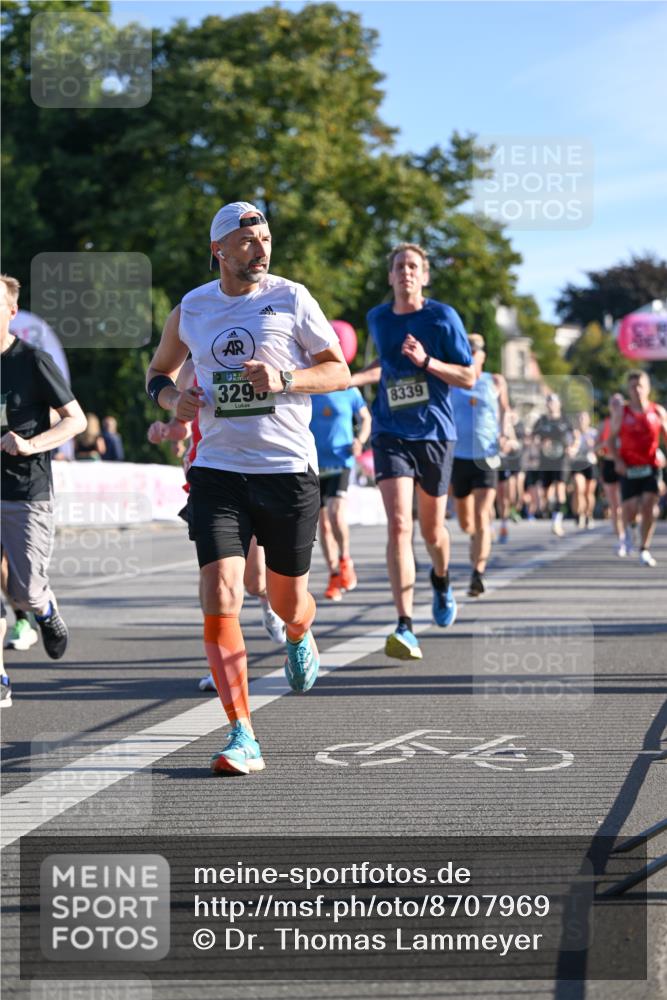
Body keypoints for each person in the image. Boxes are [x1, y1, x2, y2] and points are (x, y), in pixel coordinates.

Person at [145, 201, 349, 775]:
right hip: (218, 470)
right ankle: (242, 732)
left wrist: (286, 378)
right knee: (222, 593)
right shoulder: (192, 308)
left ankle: (300, 631)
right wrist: (172, 400)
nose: (261, 248)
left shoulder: (292, 297)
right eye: (248, 240)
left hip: (286, 469)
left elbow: (338, 371)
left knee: (286, 602)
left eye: (265, 238)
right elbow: (158, 373)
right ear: (219, 250)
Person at [352, 243, 474, 660]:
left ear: (424, 276)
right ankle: (404, 624)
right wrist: (345, 381)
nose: (405, 272)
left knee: (431, 531)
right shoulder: (378, 319)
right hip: (389, 430)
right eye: (399, 266)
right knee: (399, 525)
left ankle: (440, 578)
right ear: (390, 277)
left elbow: (468, 376)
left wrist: (426, 362)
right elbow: (380, 369)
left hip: (435, 433)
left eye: (413, 266)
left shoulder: (443, 317)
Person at [147, 358, 286, 694]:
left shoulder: (257, 350)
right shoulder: (192, 364)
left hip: (255, 472)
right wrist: (167, 430)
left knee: (253, 580)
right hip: (209, 479)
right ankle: (221, 665)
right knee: (216, 579)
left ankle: (269, 602)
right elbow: (181, 421)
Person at [0, 274, 87, 682]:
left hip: (25, 490)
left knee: (26, 592)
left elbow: (76, 420)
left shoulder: (32, 361)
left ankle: (45, 610)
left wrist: (31, 444)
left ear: (12, 311)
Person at [450, 333, 510, 597]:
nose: (472, 355)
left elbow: (506, 411)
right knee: (466, 522)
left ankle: (478, 572)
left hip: (486, 456)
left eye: (476, 351)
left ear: (483, 355)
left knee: (483, 514)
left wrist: (506, 433)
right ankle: (475, 538)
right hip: (458, 457)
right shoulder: (451, 380)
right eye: (468, 350)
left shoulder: (494, 381)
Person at [310, 373, 371, 602]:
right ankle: (334, 574)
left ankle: (345, 560)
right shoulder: (309, 386)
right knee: (323, 525)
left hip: (341, 461)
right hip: (314, 463)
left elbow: (365, 418)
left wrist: (360, 440)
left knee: (336, 515)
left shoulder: (347, 387)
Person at [608, 371, 667, 567]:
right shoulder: (622, 413)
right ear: (629, 390)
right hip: (629, 466)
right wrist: (618, 461)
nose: (637, 390)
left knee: (649, 504)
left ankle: (644, 549)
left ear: (648, 388)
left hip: (651, 466)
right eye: (633, 386)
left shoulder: (658, 412)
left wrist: (662, 454)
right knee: (630, 508)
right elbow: (610, 440)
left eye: (641, 385)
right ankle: (632, 529)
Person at [531, 393, 573, 536]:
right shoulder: (542, 421)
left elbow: (575, 436)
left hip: (561, 459)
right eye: (548, 402)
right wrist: (539, 444)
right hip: (545, 459)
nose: (550, 404)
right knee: (545, 492)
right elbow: (533, 437)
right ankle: (551, 508)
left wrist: (572, 447)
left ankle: (557, 520)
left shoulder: (565, 420)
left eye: (553, 402)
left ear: (559, 404)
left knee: (560, 487)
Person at [596, 393, 627, 555]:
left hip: (626, 464)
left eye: (618, 402)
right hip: (609, 464)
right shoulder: (604, 424)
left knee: (627, 505)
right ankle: (621, 539)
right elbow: (595, 448)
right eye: (612, 402)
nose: (615, 405)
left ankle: (631, 531)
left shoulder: (628, 421)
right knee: (615, 507)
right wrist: (604, 445)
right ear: (609, 406)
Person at [569, 410, 598, 529]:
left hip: (590, 463)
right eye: (579, 418)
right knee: (578, 488)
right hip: (577, 464)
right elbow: (570, 452)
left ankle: (588, 514)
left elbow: (599, 450)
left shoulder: (593, 433)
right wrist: (576, 441)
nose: (581, 421)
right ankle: (578, 514)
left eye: (584, 418)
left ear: (588, 420)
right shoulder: (573, 434)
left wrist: (593, 445)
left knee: (588, 493)